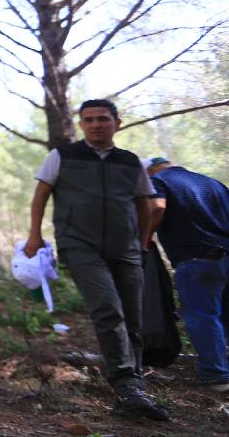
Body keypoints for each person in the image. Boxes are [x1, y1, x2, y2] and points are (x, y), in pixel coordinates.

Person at [24, 99, 168, 421]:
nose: (95, 125)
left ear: (117, 122)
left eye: (102, 119)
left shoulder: (130, 162)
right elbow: (40, 196)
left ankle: (134, 385)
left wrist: (143, 240)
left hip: (126, 248)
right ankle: (126, 385)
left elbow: (145, 204)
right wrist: (35, 235)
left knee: (133, 316)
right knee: (107, 307)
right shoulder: (63, 156)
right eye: (88, 120)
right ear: (81, 124)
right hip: (79, 245)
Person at [142, 156, 229, 392]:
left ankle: (217, 375)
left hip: (197, 259)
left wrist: (145, 237)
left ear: (147, 173)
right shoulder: (211, 183)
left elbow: (157, 208)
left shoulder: (158, 181)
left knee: (202, 315)